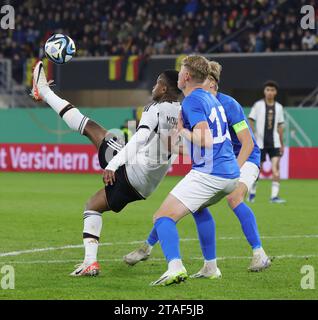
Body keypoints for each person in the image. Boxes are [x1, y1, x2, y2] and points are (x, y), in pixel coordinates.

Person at [31, 61, 182, 276]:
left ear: (164, 88)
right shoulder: (182, 112)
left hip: (132, 171)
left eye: (157, 84)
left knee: (90, 127)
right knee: (94, 202)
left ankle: (44, 91)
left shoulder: (155, 108)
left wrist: (112, 165)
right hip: (147, 186)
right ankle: (89, 263)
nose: (153, 88)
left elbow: (139, 138)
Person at [124, 61, 271, 274]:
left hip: (243, 159)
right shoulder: (197, 104)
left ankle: (260, 254)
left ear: (213, 82)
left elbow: (247, 143)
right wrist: (170, 144)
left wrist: (235, 170)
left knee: (233, 197)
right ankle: (205, 265)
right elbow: (197, 145)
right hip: (216, 164)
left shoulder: (228, 105)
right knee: (194, 206)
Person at [141, 55, 240, 286]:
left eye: (181, 71)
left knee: (162, 217)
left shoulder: (192, 101)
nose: (179, 75)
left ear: (186, 76)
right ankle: (210, 267)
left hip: (210, 173)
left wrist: (182, 129)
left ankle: (175, 267)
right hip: (229, 174)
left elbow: (204, 140)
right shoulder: (212, 99)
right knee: (199, 209)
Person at [248, 80, 286, 203]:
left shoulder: (279, 107)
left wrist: (281, 143)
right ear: (264, 91)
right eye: (268, 90)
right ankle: (252, 194)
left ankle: (274, 197)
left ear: (275, 92)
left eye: (272, 90)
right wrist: (253, 135)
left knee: (275, 169)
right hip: (260, 143)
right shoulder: (258, 105)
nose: (270, 92)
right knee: (257, 170)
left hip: (275, 143)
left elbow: (280, 127)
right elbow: (251, 120)